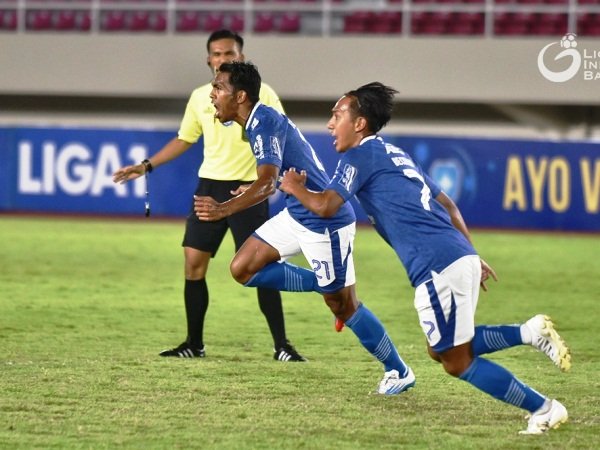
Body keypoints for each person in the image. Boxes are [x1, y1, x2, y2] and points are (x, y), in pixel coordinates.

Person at [279, 82, 572, 434]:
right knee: (441, 350)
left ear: (359, 124)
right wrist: (471, 254)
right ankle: (529, 333)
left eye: (337, 114)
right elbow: (447, 204)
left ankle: (543, 408)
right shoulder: (395, 153)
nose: (330, 123)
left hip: (436, 266)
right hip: (453, 256)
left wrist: (295, 188)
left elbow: (326, 206)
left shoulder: (359, 156)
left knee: (456, 362)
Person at [194, 61, 415, 395]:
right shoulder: (256, 123)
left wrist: (222, 208)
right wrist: (253, 186)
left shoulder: (264, 121)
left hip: (324, 222)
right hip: (297, 213)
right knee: (243, 269)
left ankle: (399, 370)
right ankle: (326, 285)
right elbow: (271, 176)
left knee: (345, 306)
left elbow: (269, 185)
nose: (212, 94)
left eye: (218, 87)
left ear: (240, 96)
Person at [112, 29, 305, 362]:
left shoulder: (264, 94)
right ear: (208, 59)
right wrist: (146, 166)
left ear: (240, 58)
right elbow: (184, 139)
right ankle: (194, 344)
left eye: (228, 54)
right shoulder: (201, 97)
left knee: (261, 267)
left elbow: (280, 135)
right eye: (216, 54)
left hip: (248, 189)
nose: (222, 59)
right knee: (193, 265)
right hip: (209, 187)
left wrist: (263, 183)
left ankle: (282, 346)